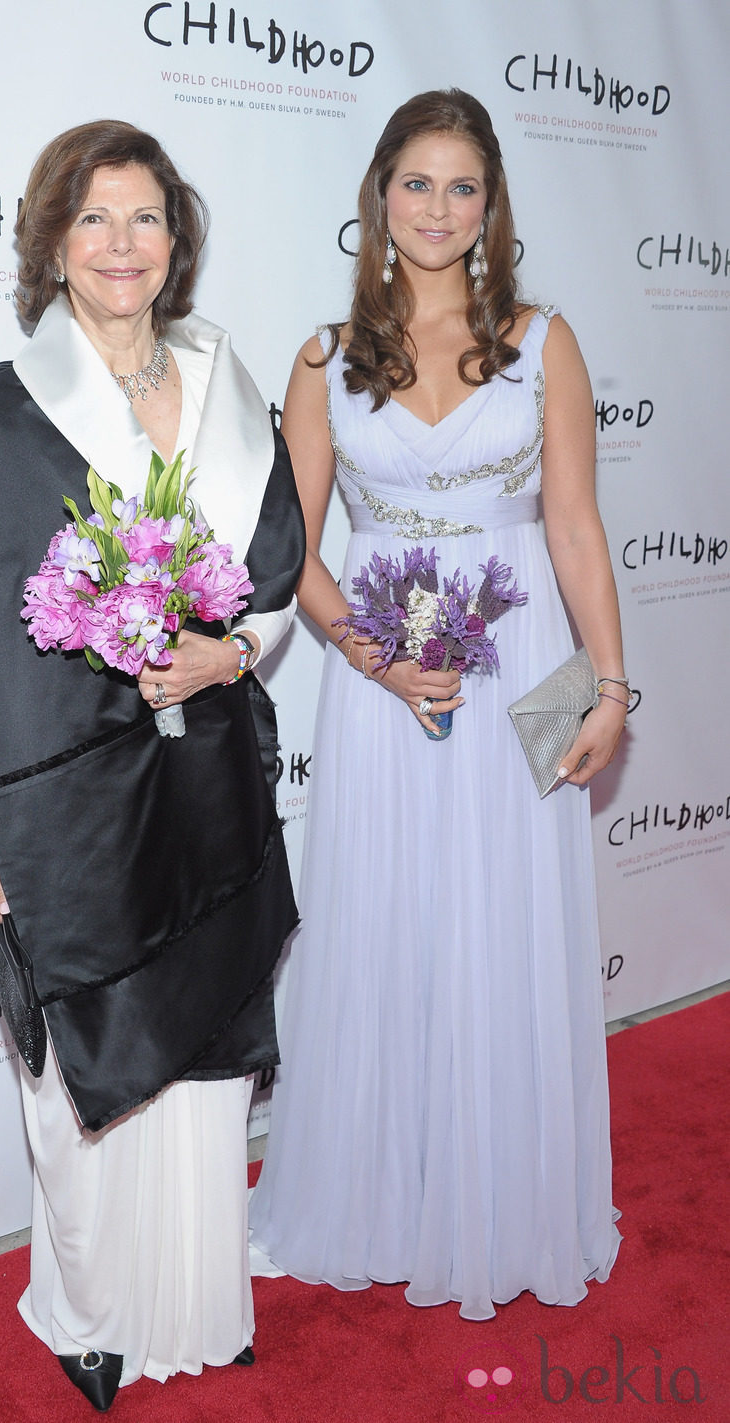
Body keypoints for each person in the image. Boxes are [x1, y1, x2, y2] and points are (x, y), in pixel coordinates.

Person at [0, 120, 304, 1411]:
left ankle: (197, 1299)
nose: (124, 244)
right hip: (63, 793)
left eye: (148, 218)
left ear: (180, 243)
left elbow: (274, 572)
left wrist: (230, 658)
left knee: (207, 1023)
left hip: (207, 764)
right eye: (97, 219)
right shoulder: (7, 419)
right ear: (54, 244)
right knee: (87, 1045)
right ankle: (91, 1307)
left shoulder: (228, 387)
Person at [249, 89, 627, 1321]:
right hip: (380, 675)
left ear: (490, 206)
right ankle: (382, 1192)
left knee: (505, 915)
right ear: (377, 192)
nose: (435, 208)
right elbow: (295, 551)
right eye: (415, 182)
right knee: (388, 917)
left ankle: (502, 1195)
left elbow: (570, 526)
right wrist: (372, 656)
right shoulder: (320, 355)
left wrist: (607, 684)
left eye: (461, 187)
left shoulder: (539, 338)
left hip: (519, 663)